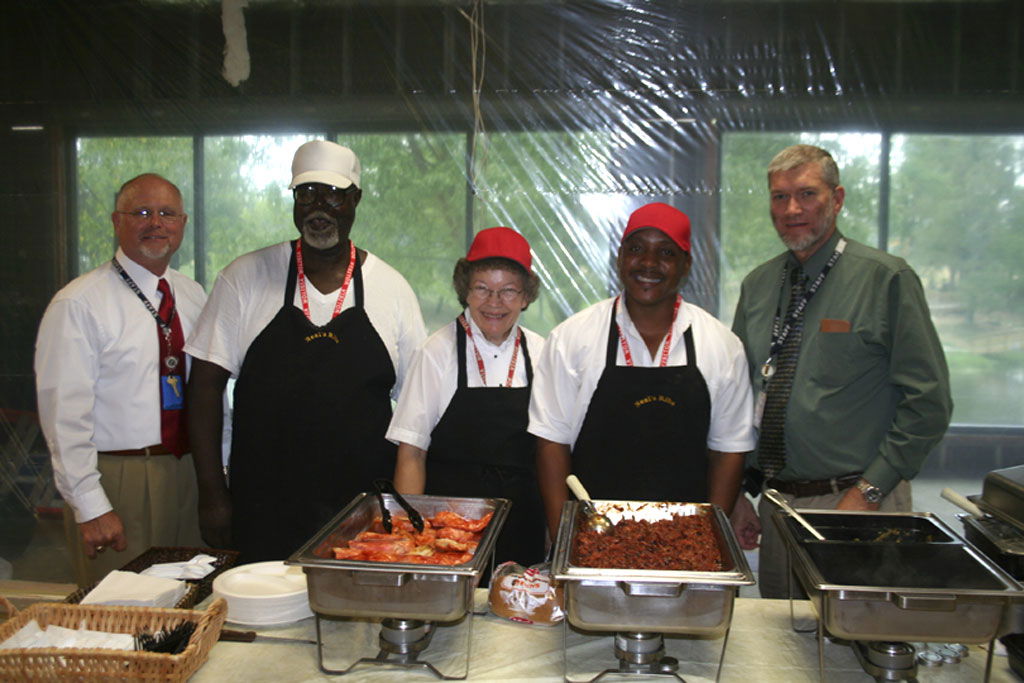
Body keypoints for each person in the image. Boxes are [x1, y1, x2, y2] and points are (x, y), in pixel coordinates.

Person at [186, 140, 426, 563]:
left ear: (356, 199)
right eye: (306, 193)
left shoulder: (393, 289)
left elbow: (416, 413)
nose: (320, 207)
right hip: (261, 507)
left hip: (364, 514)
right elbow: (204, 389)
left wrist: (409, 507)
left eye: (333, 194)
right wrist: (212, 493)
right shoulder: (243, 278)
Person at [730, 144, 953, 598]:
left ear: (838, 198)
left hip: (859, 500)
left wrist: (869, 493)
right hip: (778, 504)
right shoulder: (757, 286)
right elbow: (740, 396)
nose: (792, 209)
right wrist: (738, 492)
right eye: (779, 196)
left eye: (807, 193)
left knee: (861, 647)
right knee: (782, 652)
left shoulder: (885, 279)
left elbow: (928, 403)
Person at [529, 202, 756, 539]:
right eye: (636, 249)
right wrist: (566, 535)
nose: (648, 263)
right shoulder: (572, 338)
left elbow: (729, 450)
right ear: (620, 258)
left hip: (686, 539)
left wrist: (709, 539)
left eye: (665, 252)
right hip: (595, 534)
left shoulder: (722, 345)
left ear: (686, 265)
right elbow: (551, 444)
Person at [35, 174, 205, 585]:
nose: (156, 223)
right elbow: (63, 416)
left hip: (187, 474)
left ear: (182, 223)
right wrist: (90, 505)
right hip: (120, 478)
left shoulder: (194, 295)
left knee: (188, 605)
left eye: (167, 213)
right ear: (116, 221)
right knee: (120, 614)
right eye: (141, 212)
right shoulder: (79, 302)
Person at [388, 227, 546, 571]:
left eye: (507, 291)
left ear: (525, 296)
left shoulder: (542, 353)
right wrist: (409, 539)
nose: (494, 302)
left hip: (524, 528)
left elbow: (552, 452)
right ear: (465, 291)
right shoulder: (436, 352)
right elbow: (411, 454)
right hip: (449, 534)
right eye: (482, 289)